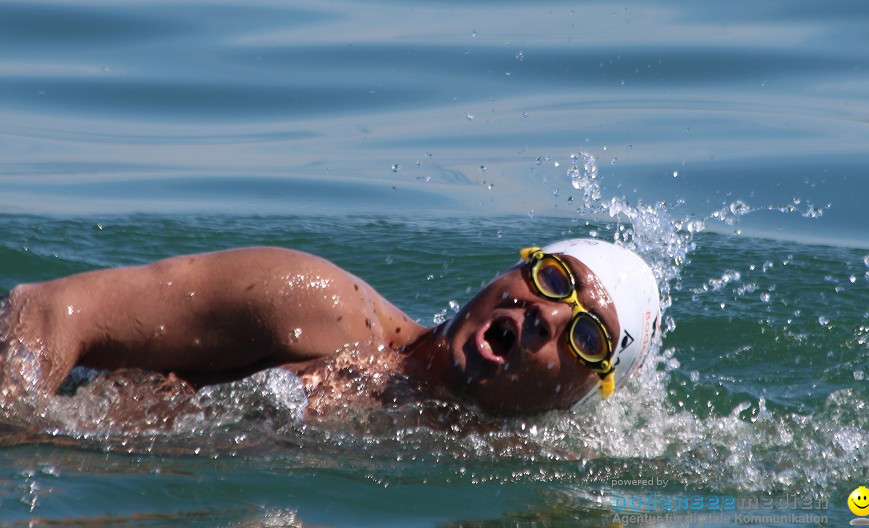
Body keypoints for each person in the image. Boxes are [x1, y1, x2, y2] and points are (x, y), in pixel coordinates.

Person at [0, 239, 660, 417]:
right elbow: (48, 311)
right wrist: (18, 424)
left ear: (579, 392)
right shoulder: (316, 308)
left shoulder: (520, 470)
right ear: (507, 276)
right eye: (551, 279)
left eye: (588, 339)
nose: (545, 314)